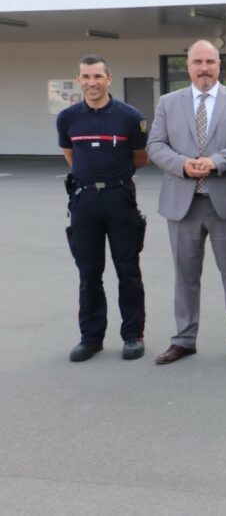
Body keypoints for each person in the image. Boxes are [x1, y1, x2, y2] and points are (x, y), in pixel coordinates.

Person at [147, 40, 226, 366]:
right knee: (184, 275)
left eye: (210, 62)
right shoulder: (168, 103)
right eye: (197, 62)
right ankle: (184, 338)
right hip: (183, 202)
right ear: (187, 66)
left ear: (219, 64)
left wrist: (214, 162)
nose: (204, 68)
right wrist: (183, 164)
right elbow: (155, 144)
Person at [59, 54, 149, 362]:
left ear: (108, 78)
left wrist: (111, 178)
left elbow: (140, 158)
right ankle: (91, 337)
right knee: (89, 272)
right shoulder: (68, 118)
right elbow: (71, 155)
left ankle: (133, 336)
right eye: (85, 77)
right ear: (79, 79)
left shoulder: (128, 116)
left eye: (97, 76)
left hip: (120, 198)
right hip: (84, 202)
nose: (91, 82)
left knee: (128, 271)